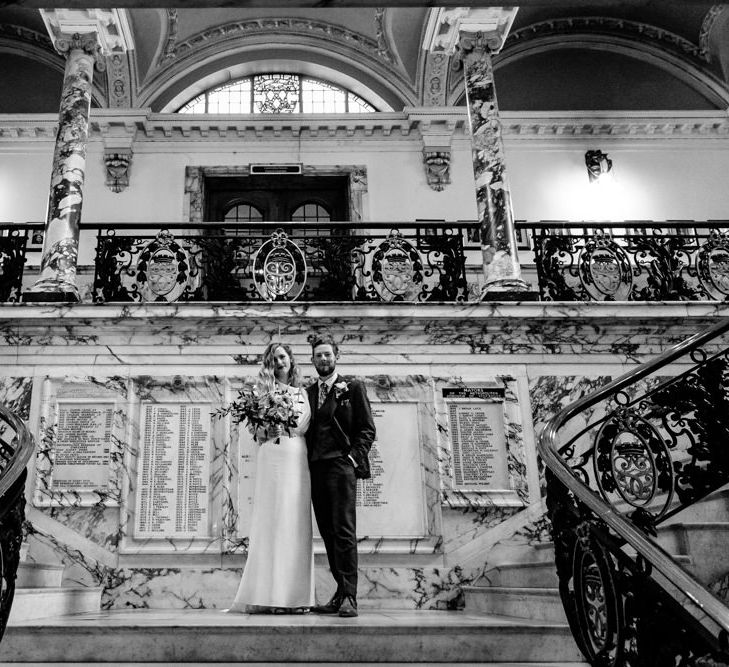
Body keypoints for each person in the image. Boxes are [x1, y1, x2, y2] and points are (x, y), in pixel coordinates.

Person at [228, 342, 314, 613]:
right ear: (268, 363)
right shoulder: (260, 392)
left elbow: (304, 424)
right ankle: (270, 596)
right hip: (271, 455)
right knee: (272, 520)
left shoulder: (302, 393)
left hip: (296, 456)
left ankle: (296, 597)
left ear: (291, 360)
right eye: (273, 358)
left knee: (295, 521)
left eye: (282, 357)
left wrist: (287, 425)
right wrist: (268, 427)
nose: (279, 362)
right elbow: (254, 430)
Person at [306, 333, 376, 618]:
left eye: (328, 354)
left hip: (341, 467)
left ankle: (350, 596)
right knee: (328, 533)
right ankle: (339, 591)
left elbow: (367, 429)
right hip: (315, 469)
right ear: (312, 360)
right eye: (319, 355)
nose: (324, 359)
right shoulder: (308, 394)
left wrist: (352, 458)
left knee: (344, 532)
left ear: (337, 356)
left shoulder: (353, 387)